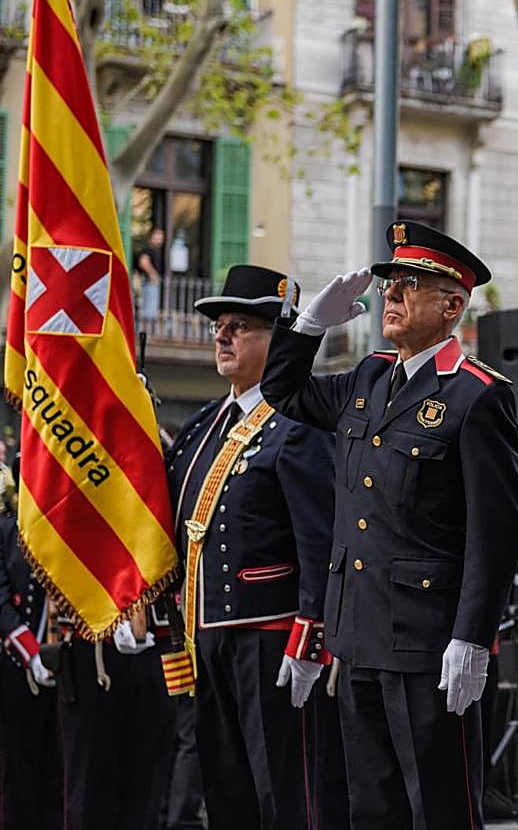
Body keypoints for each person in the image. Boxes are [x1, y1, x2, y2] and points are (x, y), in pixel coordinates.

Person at [261, 220, 518, 829]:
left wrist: (472, 637)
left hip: (427, 639)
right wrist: (309, 327)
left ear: (451, 306)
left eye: (410, 285)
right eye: (389, 285)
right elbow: (283, 391)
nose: (392, 296)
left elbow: (497, 531)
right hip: (357, 633)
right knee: (372, 808)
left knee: (439, 807)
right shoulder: (369, 376)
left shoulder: (476, 394)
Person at [168, 264, 345, 829]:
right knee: (225, 787)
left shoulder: (299, 422)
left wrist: (312, 634)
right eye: (219, 325)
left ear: (281, 339)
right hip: (206, 633)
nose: (222, 336)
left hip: (271, 634)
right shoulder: (203, 424)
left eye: (239, 326)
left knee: (283, 792)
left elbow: (321, 538)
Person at [0, 462, 62, 829]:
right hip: (18, 666)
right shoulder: (6, 531)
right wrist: (31, 652)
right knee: (18, 768)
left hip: (65, 664)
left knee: (59, 766)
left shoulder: (65, 531)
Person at [135, 228, 164, 323]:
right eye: (156, 237)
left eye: (160, 238)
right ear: (151, 237)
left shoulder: (154, 251)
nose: (159, 240)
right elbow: (143, 262)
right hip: (149, 282)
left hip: (151, 282)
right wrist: (152, 274)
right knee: (148, 312)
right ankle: (145, 330)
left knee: (150, 311)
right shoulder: (148, 250)